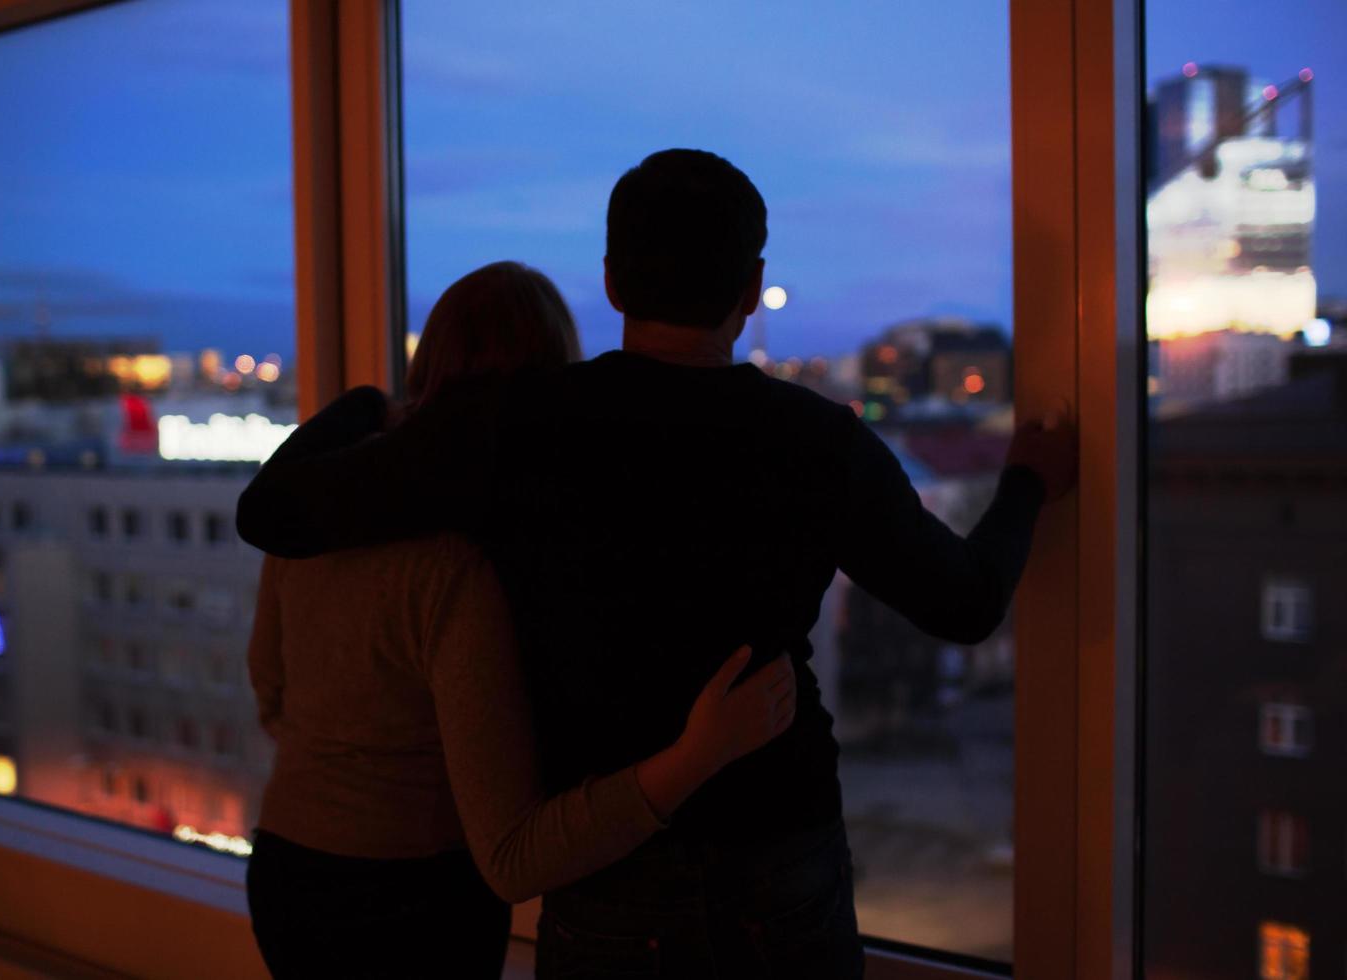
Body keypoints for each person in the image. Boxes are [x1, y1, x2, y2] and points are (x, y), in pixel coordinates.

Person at [238, 151, 1077, 978]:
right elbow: (966, 603)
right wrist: (1026, 483)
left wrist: (363, 407)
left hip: (610, 870)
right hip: (777, 846)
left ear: (610, 281)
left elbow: (274, 511)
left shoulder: (515, 426)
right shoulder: (818, 440)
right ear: (750, 292)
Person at [243, 260, 797, 980]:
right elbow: (513, 858)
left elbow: (271, 691)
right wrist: (697, 754)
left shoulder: (313, 513)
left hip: (285, 871)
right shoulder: (460, 565)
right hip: (410, 905)